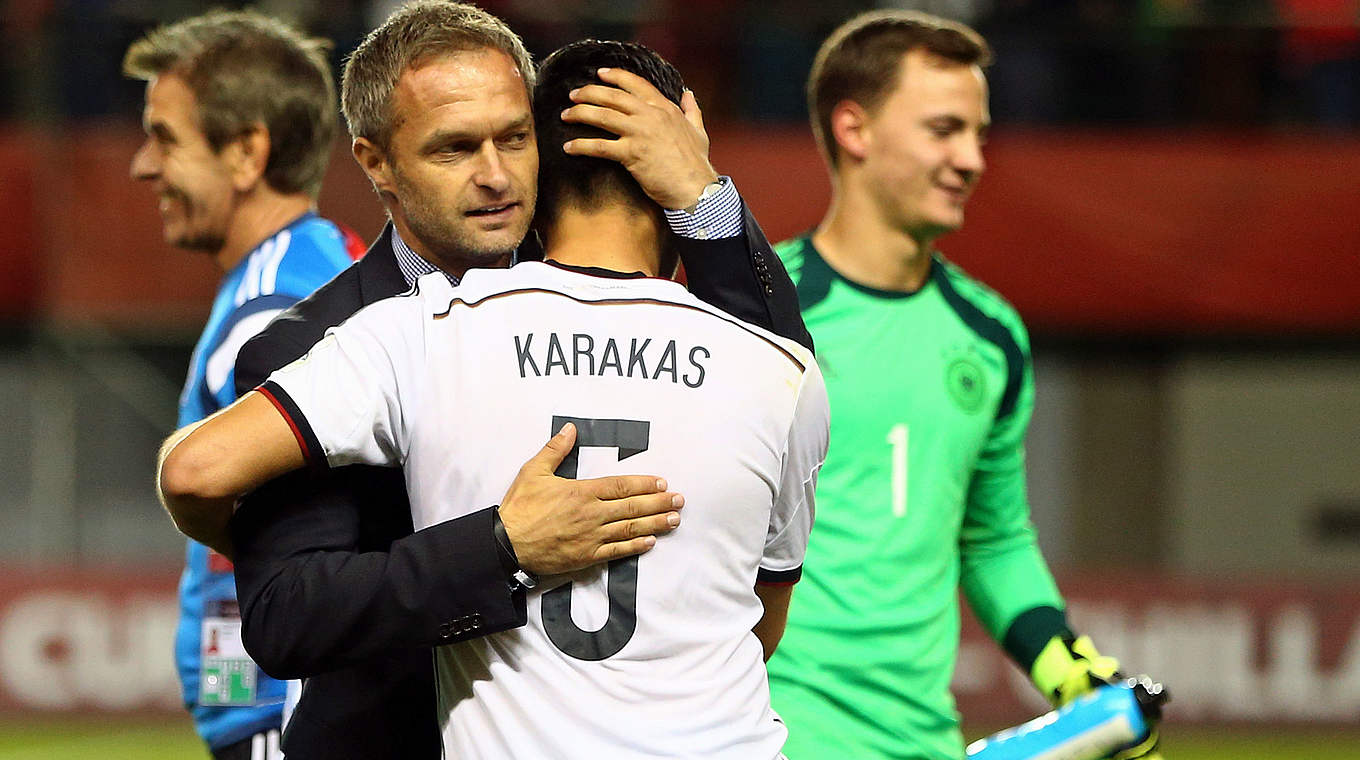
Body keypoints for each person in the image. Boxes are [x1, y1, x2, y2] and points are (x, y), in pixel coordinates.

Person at [157, 38, 828, 760]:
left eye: (515, 139)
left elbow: (774, 365)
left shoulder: (565, 297)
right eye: (454, 148)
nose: (495, 176)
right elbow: (288, 616)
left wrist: (703, 198)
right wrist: (501, 547)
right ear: (374, 161)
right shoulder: (320, 342)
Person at [765, 10, 1163, 760]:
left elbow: (995, 540)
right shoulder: (758, 313)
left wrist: (1070, 673)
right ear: (855, 131)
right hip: (772, 736)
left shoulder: (991, 336)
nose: (973, 159)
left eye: (978, 133)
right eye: (944, 130)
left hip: (926, 741)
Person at [122, 11, 365, 758]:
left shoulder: (274, 308)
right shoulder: (310, 268)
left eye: (165, 137)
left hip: (282, 712)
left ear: (246, 152)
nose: (143, 165)